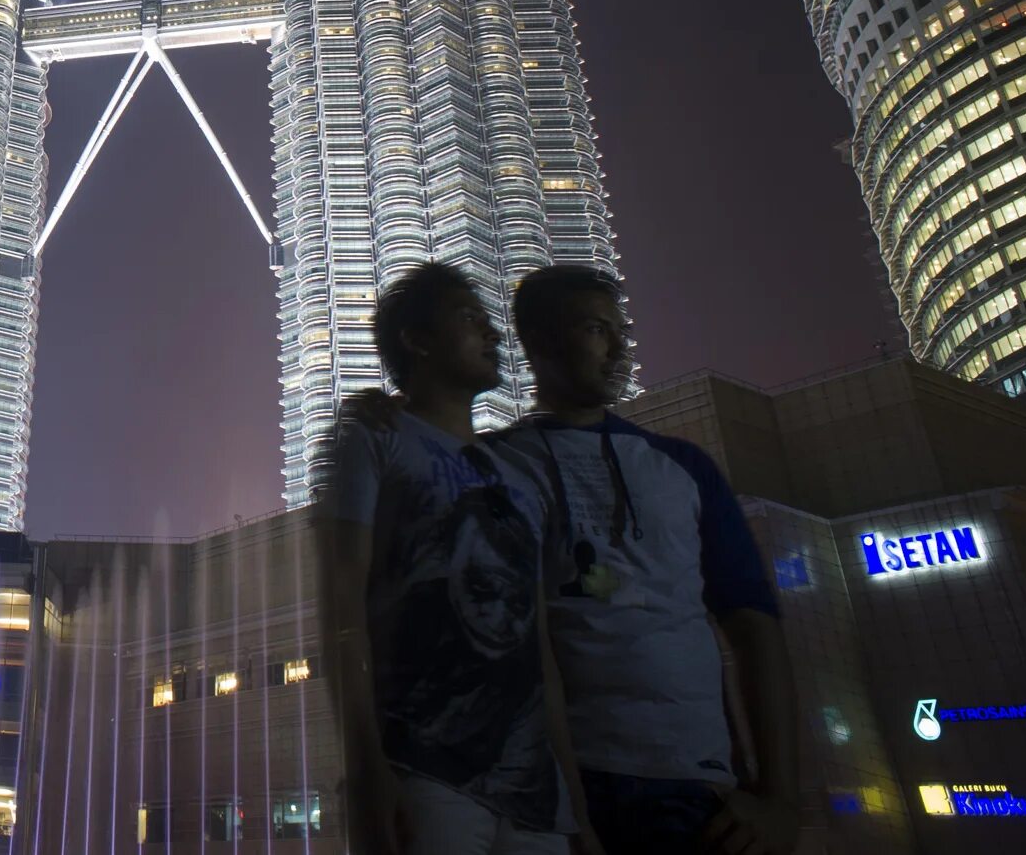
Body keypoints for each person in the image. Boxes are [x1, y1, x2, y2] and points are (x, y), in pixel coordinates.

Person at [490, 265, 800, 855]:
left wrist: (782, 800)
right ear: (537, 342)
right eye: (595, 330)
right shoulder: (495, 466)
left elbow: (755, 627)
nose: (618, 349)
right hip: (554, 791)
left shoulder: (683, 466)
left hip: (700, 793)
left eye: (620, 331)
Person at [317, 262, 596, 855]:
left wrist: (578, 809)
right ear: (417, 341)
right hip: (424, 774)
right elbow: (340, 604)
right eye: (471, 320)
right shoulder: (373, 435)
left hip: (537, 798)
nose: (494, 334)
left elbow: (538, 648)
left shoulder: (518, 477)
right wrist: (366, 767)